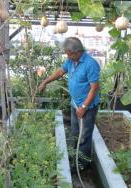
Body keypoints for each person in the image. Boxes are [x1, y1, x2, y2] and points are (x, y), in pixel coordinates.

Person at [39, 37, 100, 170]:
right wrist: (45, 82)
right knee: (75, 132)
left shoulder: (90, 64)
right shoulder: (71, 61)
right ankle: (75, 156)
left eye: (69, 53)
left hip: (87, 107)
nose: (67, 56)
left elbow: (95, 88)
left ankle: (82, 165)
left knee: (84, 136)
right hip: (74, 104)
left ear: (77, 51)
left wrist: (84, 107)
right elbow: (60, 72)